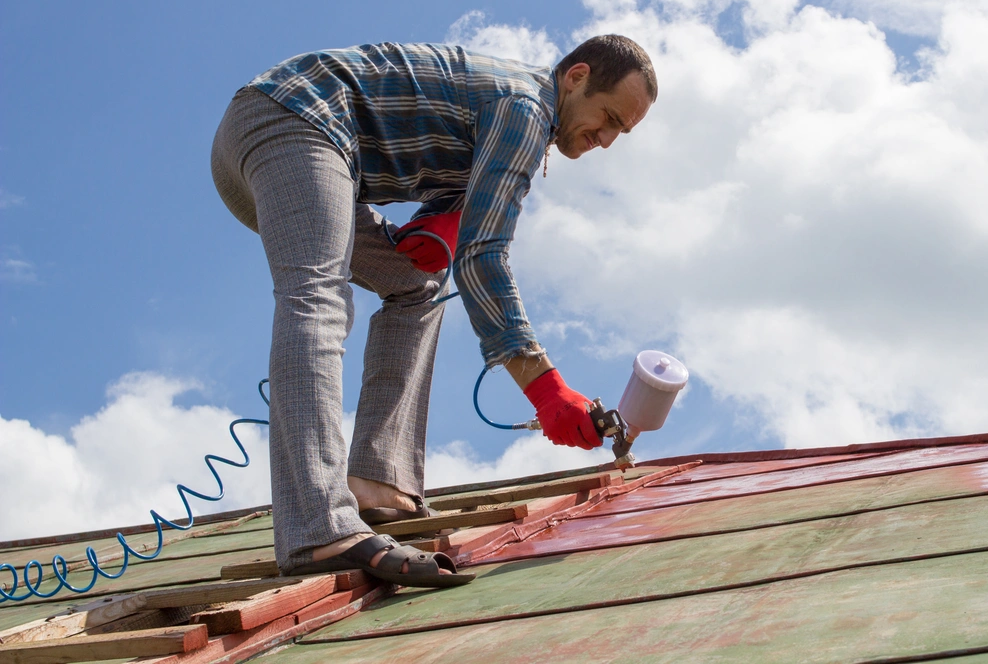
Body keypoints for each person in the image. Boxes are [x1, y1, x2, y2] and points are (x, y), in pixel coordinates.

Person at [210, 35, 657, 587]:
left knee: (417, 285)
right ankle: (318, 525)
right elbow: (484, 256)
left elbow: (462, 236)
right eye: (608, 117)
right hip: (294, 116)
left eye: (622, 132)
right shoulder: (525, 106)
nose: (608, 139)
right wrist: (547, 390)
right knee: (317, 294)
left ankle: (380, 480)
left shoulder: (516, 119)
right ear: (576, 77)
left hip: (273, 141)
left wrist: (437, 220)